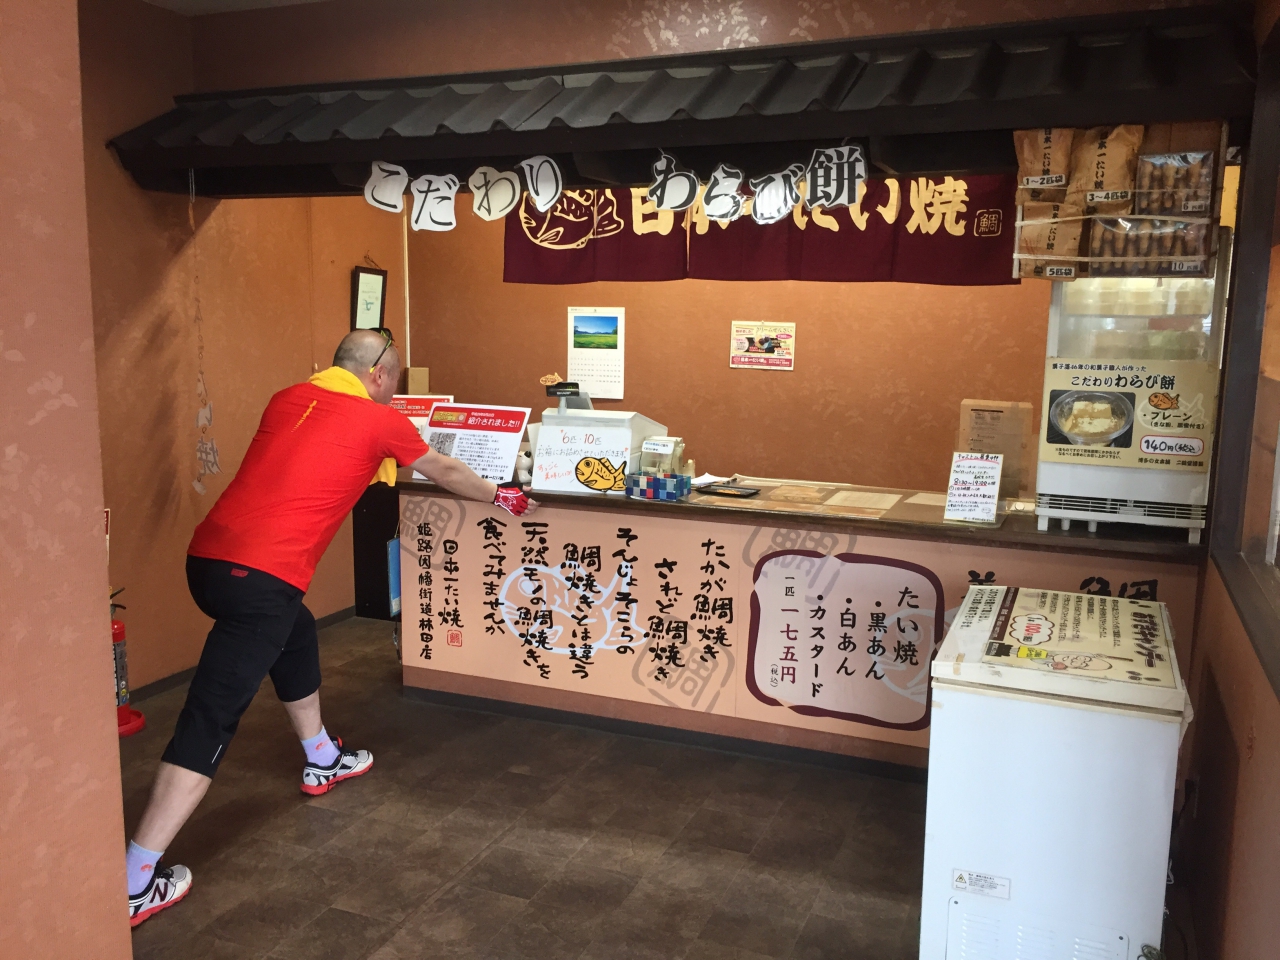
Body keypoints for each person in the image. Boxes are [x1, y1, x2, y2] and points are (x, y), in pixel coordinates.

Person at [125, 329, 536, 926]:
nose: (393, 392)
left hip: (207, 562)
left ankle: (321, 756)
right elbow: (444, 468)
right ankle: (135, 881)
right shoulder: (379, 419)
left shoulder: (286, 398)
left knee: (296, 629)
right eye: (394, 381)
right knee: (209, 718)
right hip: (261, 580)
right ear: (378, 375)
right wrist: (502, 496)